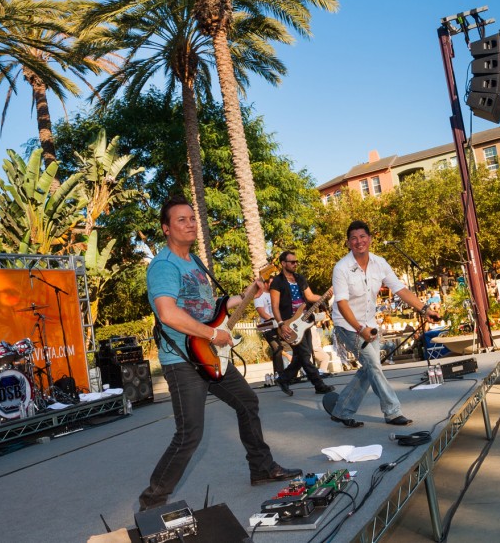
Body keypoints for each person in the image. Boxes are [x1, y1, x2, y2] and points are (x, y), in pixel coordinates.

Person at [138, 196, 300, 511]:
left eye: (192, 218)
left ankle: (262, 468)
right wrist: (214, 334)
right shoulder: (163, 266)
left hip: (211, 354)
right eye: (181, 220)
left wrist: (250, 294)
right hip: (183, 359)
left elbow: (214, 307)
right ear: (166, 229)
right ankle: (152, 502)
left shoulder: (196, 263)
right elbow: (168, 314)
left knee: (248, 402)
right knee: (190, 434)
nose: (189, 224)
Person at [328, 220, 440, 428]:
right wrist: (359, 329)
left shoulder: (380, 263)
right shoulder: (341, 268)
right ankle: (392, 411)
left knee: (371, 367)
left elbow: (400, 290)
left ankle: (342, 409)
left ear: (369, 239)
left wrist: (425, 310)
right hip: (347, 325)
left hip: (369, 324)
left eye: (362, 237)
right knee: (373, 366)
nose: (358, 241)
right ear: (348, 243)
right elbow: (342, 303)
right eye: (353, 238)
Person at [271, 250, 334, 396]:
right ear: (283, 263)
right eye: (292, 262)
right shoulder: (277, 282)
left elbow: (310, 296)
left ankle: (283, 379)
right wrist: (281, 324)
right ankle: (319, 385)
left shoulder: (300, 278)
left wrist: (325, 296)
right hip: (290, 323)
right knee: (304, 353)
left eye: (296, 262)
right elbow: (274, 306)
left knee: (302, 356)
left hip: (304, 321)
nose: (295, 264)